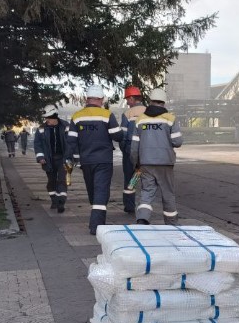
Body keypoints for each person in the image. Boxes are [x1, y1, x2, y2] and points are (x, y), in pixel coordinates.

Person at [66, 85, 123, 234]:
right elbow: (117, 136)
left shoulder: (77, 116)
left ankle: (96, 217)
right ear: (101, 99)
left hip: (86, 161)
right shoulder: (107, 115)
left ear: (87, 99)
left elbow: (71, 141)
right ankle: (96, 225)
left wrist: (70, 159)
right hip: (104, 160)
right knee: (101, 191)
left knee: (93, 190)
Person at [130, 87, 183, 225]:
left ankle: (142, 219)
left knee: (147, 192)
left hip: (145, 163)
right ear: (164, 102)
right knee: (167, 193)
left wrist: (136, 164)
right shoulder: (170, 119)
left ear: (150, 101)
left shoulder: (140, 120)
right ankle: (171, 223)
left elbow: (134, 147)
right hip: (165, 163)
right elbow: (177, 142)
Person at [34, 105, 69, 212]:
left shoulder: (66, 126)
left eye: (49, 118)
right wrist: (40, 157)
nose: (47, 120)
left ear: (55, 116)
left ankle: (61, 202)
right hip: (48, 160)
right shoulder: (41, 129)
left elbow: (72, 142)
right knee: (51, 181)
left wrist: (73, 156)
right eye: (46, 118)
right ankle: (54, 200)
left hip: (63, 159)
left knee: (62, 180)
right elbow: (37, 144)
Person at [120, 86, 146, 213]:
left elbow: (123, 135)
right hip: (146, 150)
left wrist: (124, 149)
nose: (127, 102)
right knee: (146, 178)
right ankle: (145, 204)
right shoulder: (148, 111)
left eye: (127, 99)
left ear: (131, 98)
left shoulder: (127, 114)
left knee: (130, 178)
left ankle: (129, 206)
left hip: (130, 150)